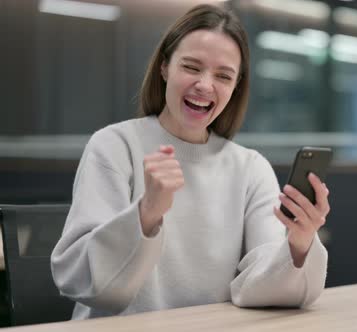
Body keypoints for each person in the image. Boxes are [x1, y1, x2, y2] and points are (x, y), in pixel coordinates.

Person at [50, 3, 330, 319]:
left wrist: (299, 245)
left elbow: (258, 289)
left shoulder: (250, 168)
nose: (205, 85)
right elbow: (82, 281)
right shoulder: (115, 146)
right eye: (192, 67)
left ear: (235, 87)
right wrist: (147, 213)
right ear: (165, 67)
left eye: (223, 76)